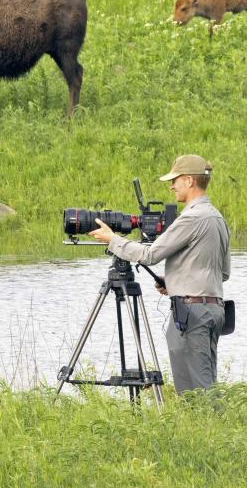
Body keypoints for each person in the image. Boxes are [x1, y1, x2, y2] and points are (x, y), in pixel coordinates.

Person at [87, 155, 231, 393]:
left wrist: (112, 240)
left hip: (192, 314)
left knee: (199, 392)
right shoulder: (217, 218)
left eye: (174, 180)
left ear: (188, 181)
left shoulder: (192, 218)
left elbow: (150, 255)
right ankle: (201, 429)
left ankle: (214, 427)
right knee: (202, 386)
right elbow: (222, 273)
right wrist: (174, 281)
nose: (171, 186)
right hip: (212, 310)